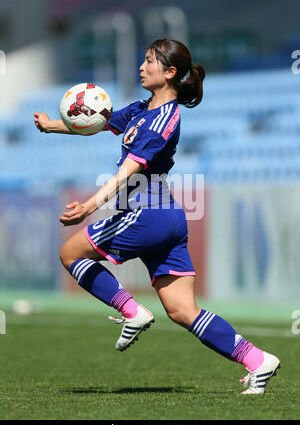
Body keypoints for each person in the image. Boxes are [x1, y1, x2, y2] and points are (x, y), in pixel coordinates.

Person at [34, 38, 280, 394]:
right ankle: (258, 361)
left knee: (70, 253)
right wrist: (52, 125)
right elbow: (99, 122)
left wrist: (90, 205)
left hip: (146, 214)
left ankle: (132, 311)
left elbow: (130, 170)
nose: (141, 66)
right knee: (182, 310)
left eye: (149, 61)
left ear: (169, 72)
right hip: (166, 218)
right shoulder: (143, 108)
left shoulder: (165, 118)